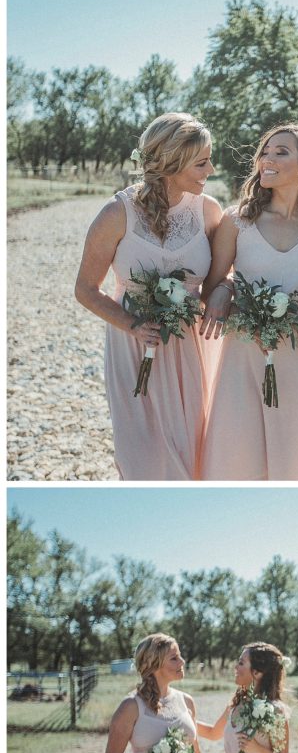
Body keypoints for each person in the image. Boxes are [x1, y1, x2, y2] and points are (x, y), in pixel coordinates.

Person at [75, 113, 221, 479]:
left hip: (189, 347)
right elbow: (85, 289)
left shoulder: (208, 211)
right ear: (171, 162)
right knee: (138, 452)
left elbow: (223, 277)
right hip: (133, 345)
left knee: (188, 450)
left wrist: (225, 292)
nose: (211, 170)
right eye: (202, 162)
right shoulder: (117, 213)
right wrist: (133, 325)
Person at [199, 125, 298, 480]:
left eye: (281, 152)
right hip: (245, 350)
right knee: (239, 455)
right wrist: (225, 288)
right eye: (265, 152)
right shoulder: (237, 220)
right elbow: (211, 287)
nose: (267, 159)